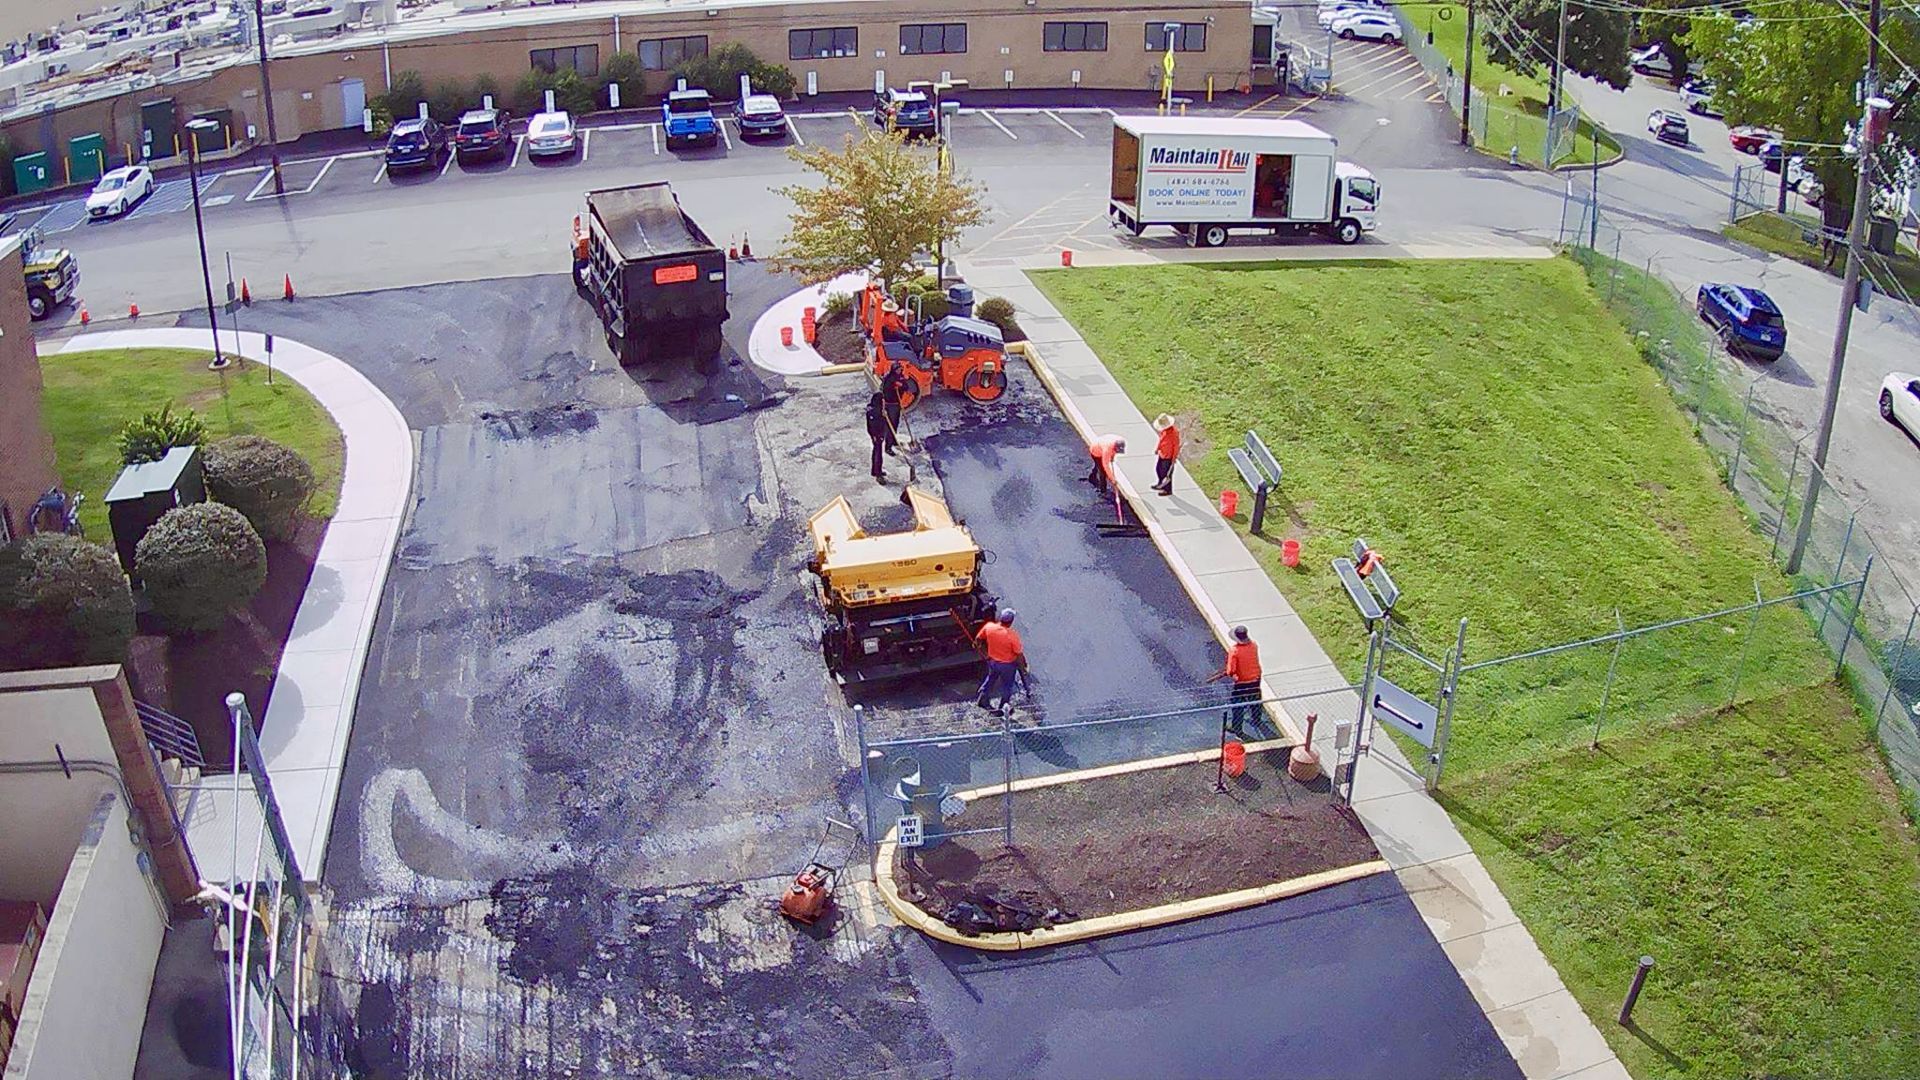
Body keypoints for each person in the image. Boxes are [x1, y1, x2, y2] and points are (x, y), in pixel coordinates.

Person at [1207, 625, 1263, 735]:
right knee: (1255, 700)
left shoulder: (1235, 651)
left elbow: (1230, 671)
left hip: (1242, 683)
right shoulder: (1254, 645)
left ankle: (1237, 727)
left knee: (1237, 704)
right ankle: (1257, 720)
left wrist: (1230, 673)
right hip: (1256, 678)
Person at [974, 608, 1025, 712]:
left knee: (991, 679)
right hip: (1008, 665)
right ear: (1011, 622)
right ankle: (1003, 707)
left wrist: (985, 654)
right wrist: (1023, 667)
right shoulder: (1012, 635)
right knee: (1007, 686)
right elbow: (1019, 654)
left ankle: (982, 699)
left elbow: (978, 640)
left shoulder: (989, 627)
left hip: (993, 662)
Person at [865, 391, 892, 482]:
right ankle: (878, 473)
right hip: (877, 435)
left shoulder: (876, 409)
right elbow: (873, 425)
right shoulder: (875, 412)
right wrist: (876, 436)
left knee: (876, 452)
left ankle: (875, 470)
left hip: (878, 435)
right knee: (878, 454)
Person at [1152, 414, 1180, 496]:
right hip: (1162, 454)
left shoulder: (1174, 434)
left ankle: (1167, 490)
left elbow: (1176, 447)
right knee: (1158, 469)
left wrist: (1174, 458)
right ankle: (1161, 484)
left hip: (1168, 456)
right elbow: (1161, 441)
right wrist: (1158, 449)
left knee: (1167, 474)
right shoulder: (1164, 432)